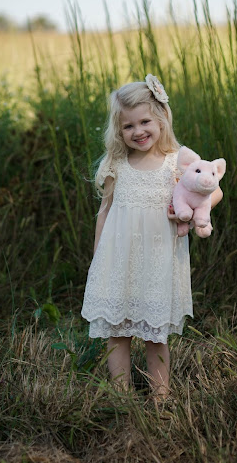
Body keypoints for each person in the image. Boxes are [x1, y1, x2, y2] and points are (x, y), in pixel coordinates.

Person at [81, 74, 223, 399]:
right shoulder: (118, 162)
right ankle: (122, 395)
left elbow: (214, 191)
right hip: (119, 259)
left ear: (161, 118)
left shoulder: (179, 160)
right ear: (118, 130)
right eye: (128, 126)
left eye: (145, 121)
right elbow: (104, 213)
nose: (138, 131)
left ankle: (161, 397)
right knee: (117, 331)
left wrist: (197, 211)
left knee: (155, 334)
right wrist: (97, 260)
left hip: (159, 260)